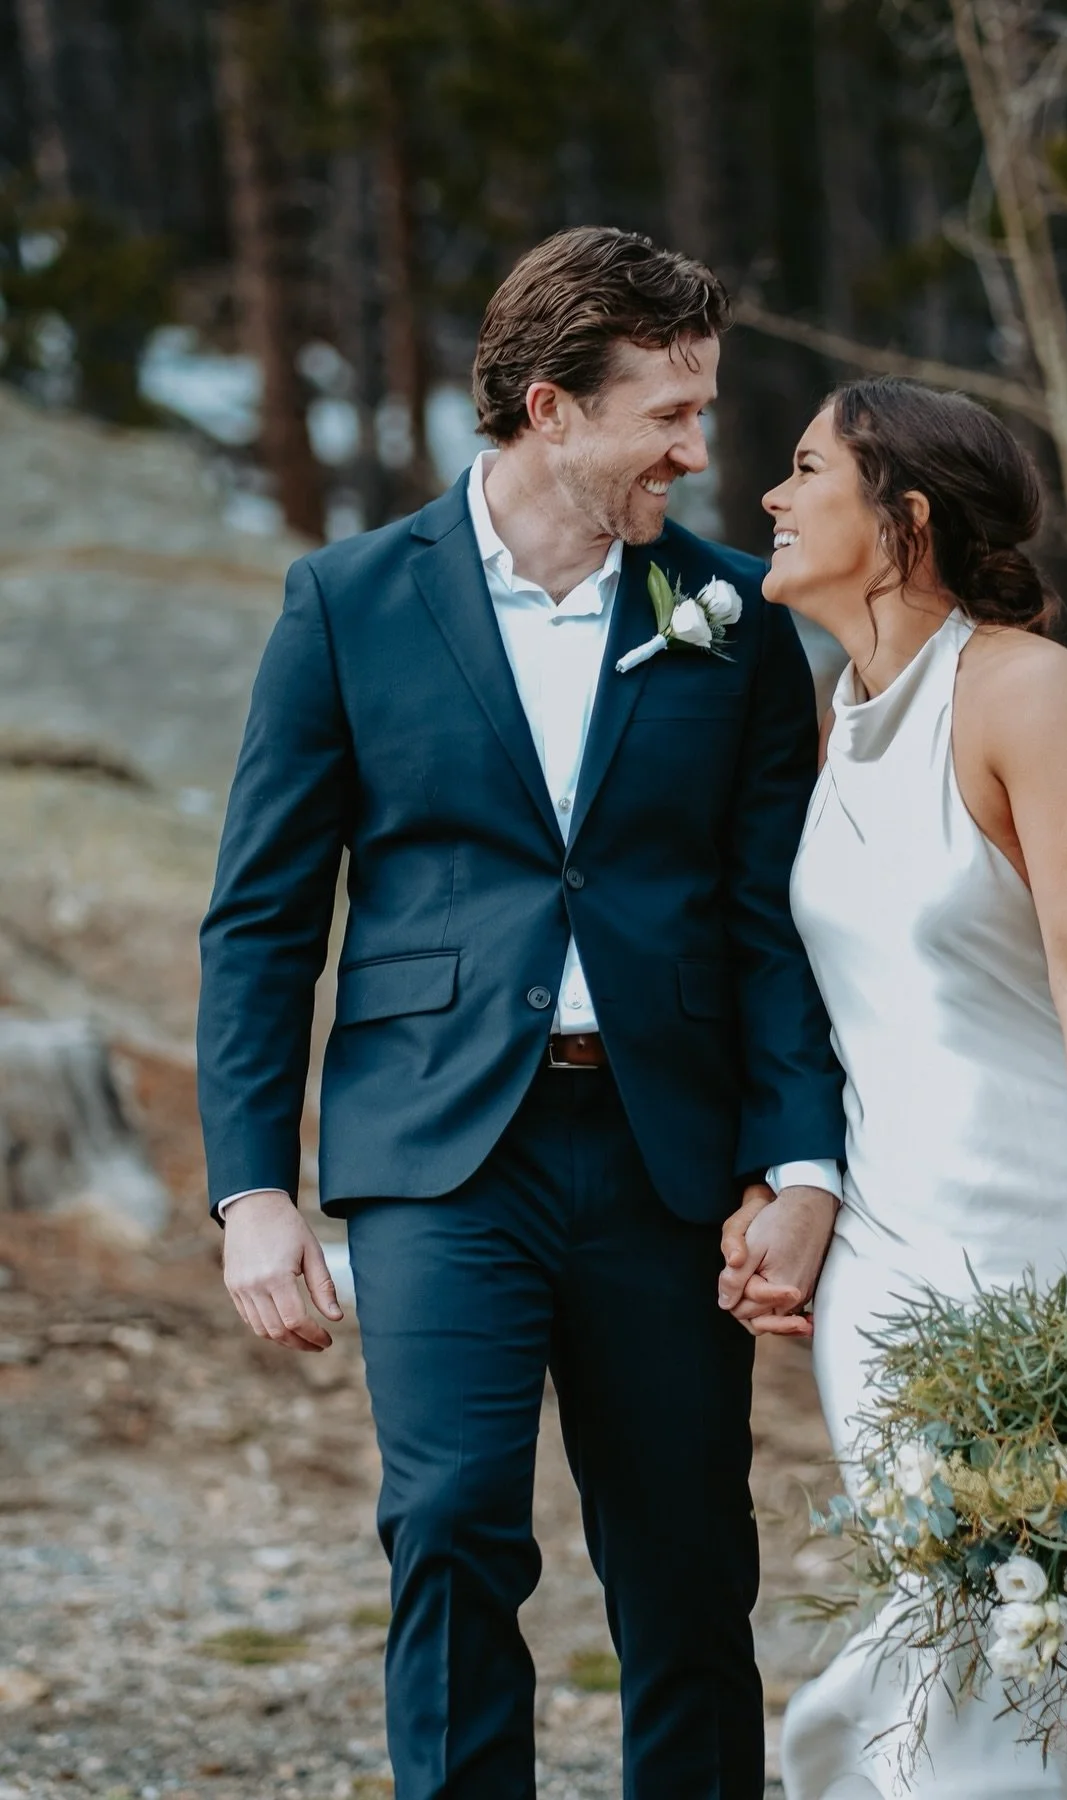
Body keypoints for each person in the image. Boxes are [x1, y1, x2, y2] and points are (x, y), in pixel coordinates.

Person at [196, 226, 847, 1800]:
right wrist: (253, 1189)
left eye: (706, 412)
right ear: (551, 410)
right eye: (670, 415)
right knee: (451, 1531)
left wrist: (803, 1166)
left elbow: (769, 924)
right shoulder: (350, 600)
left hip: (664, 1158)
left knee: (691, 1566)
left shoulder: (736, 619)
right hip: (437, 1151)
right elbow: (265, 917)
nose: (702, 454)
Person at [720, 378, 1067, 1799]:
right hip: (886, 1248)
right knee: (947, 1598)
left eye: (806, 469)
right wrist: (787, 1182)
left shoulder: (1026, 689)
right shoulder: (838, 712)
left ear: (904, 520)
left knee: (1057, 1623)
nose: (770, 494)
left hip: (1045, 1229)